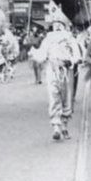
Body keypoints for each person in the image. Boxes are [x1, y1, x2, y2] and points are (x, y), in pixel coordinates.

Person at [34, 12, 82, 141]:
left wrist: (70, 61)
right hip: (52, 69)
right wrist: (33, 50)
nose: (57, 27)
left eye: (60, 24)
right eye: (55, 24)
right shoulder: (48, 39)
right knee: (54, 96)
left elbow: (77, 55)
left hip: (66, 70)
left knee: (67, 98)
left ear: (64, 26)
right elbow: (41, 56)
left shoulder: (70, 39)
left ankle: (65, 125)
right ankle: (56, 126)